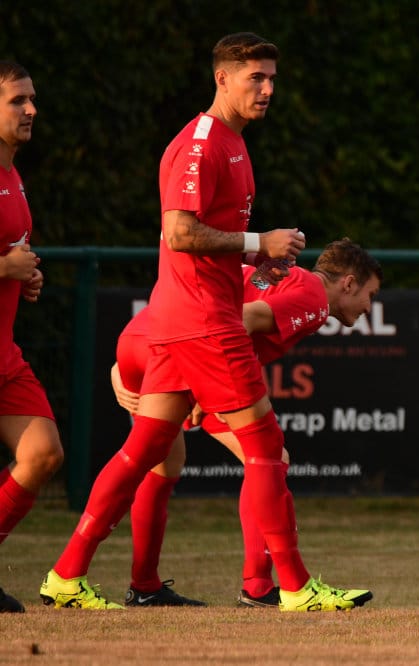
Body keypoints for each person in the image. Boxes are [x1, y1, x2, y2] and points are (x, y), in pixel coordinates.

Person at [41, 32, 365, 612]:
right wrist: (255, 239)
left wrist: (252, 255)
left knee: (142, 453)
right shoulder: (200, 145)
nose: (266, 89)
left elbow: (204, 239)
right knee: (266, 447)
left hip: (179, 319)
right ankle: (290, 587)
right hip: (203, 322)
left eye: (271, 78)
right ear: (221, 78)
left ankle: (67, 574)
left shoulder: (235, 145)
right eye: (254, 78)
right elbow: (179, 233)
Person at [113, 239, 381, 608]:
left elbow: (189, 307)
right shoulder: (313, 297)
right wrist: (208, 383)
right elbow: (240, 320)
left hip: (148, 340)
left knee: (159, 464)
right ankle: (257, 585)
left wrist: (125, 365)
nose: (370, 306)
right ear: (348, 283)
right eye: (371, 294)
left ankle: (140, 584)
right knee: (269, 458)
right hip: (191, 355)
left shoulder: (278, 274)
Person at [0, 61, 64, 614]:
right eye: (18, 100)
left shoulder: (14, 175)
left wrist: (25, 275)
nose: (31, 110)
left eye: (32, 99)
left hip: (5, 356)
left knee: (43, 453)